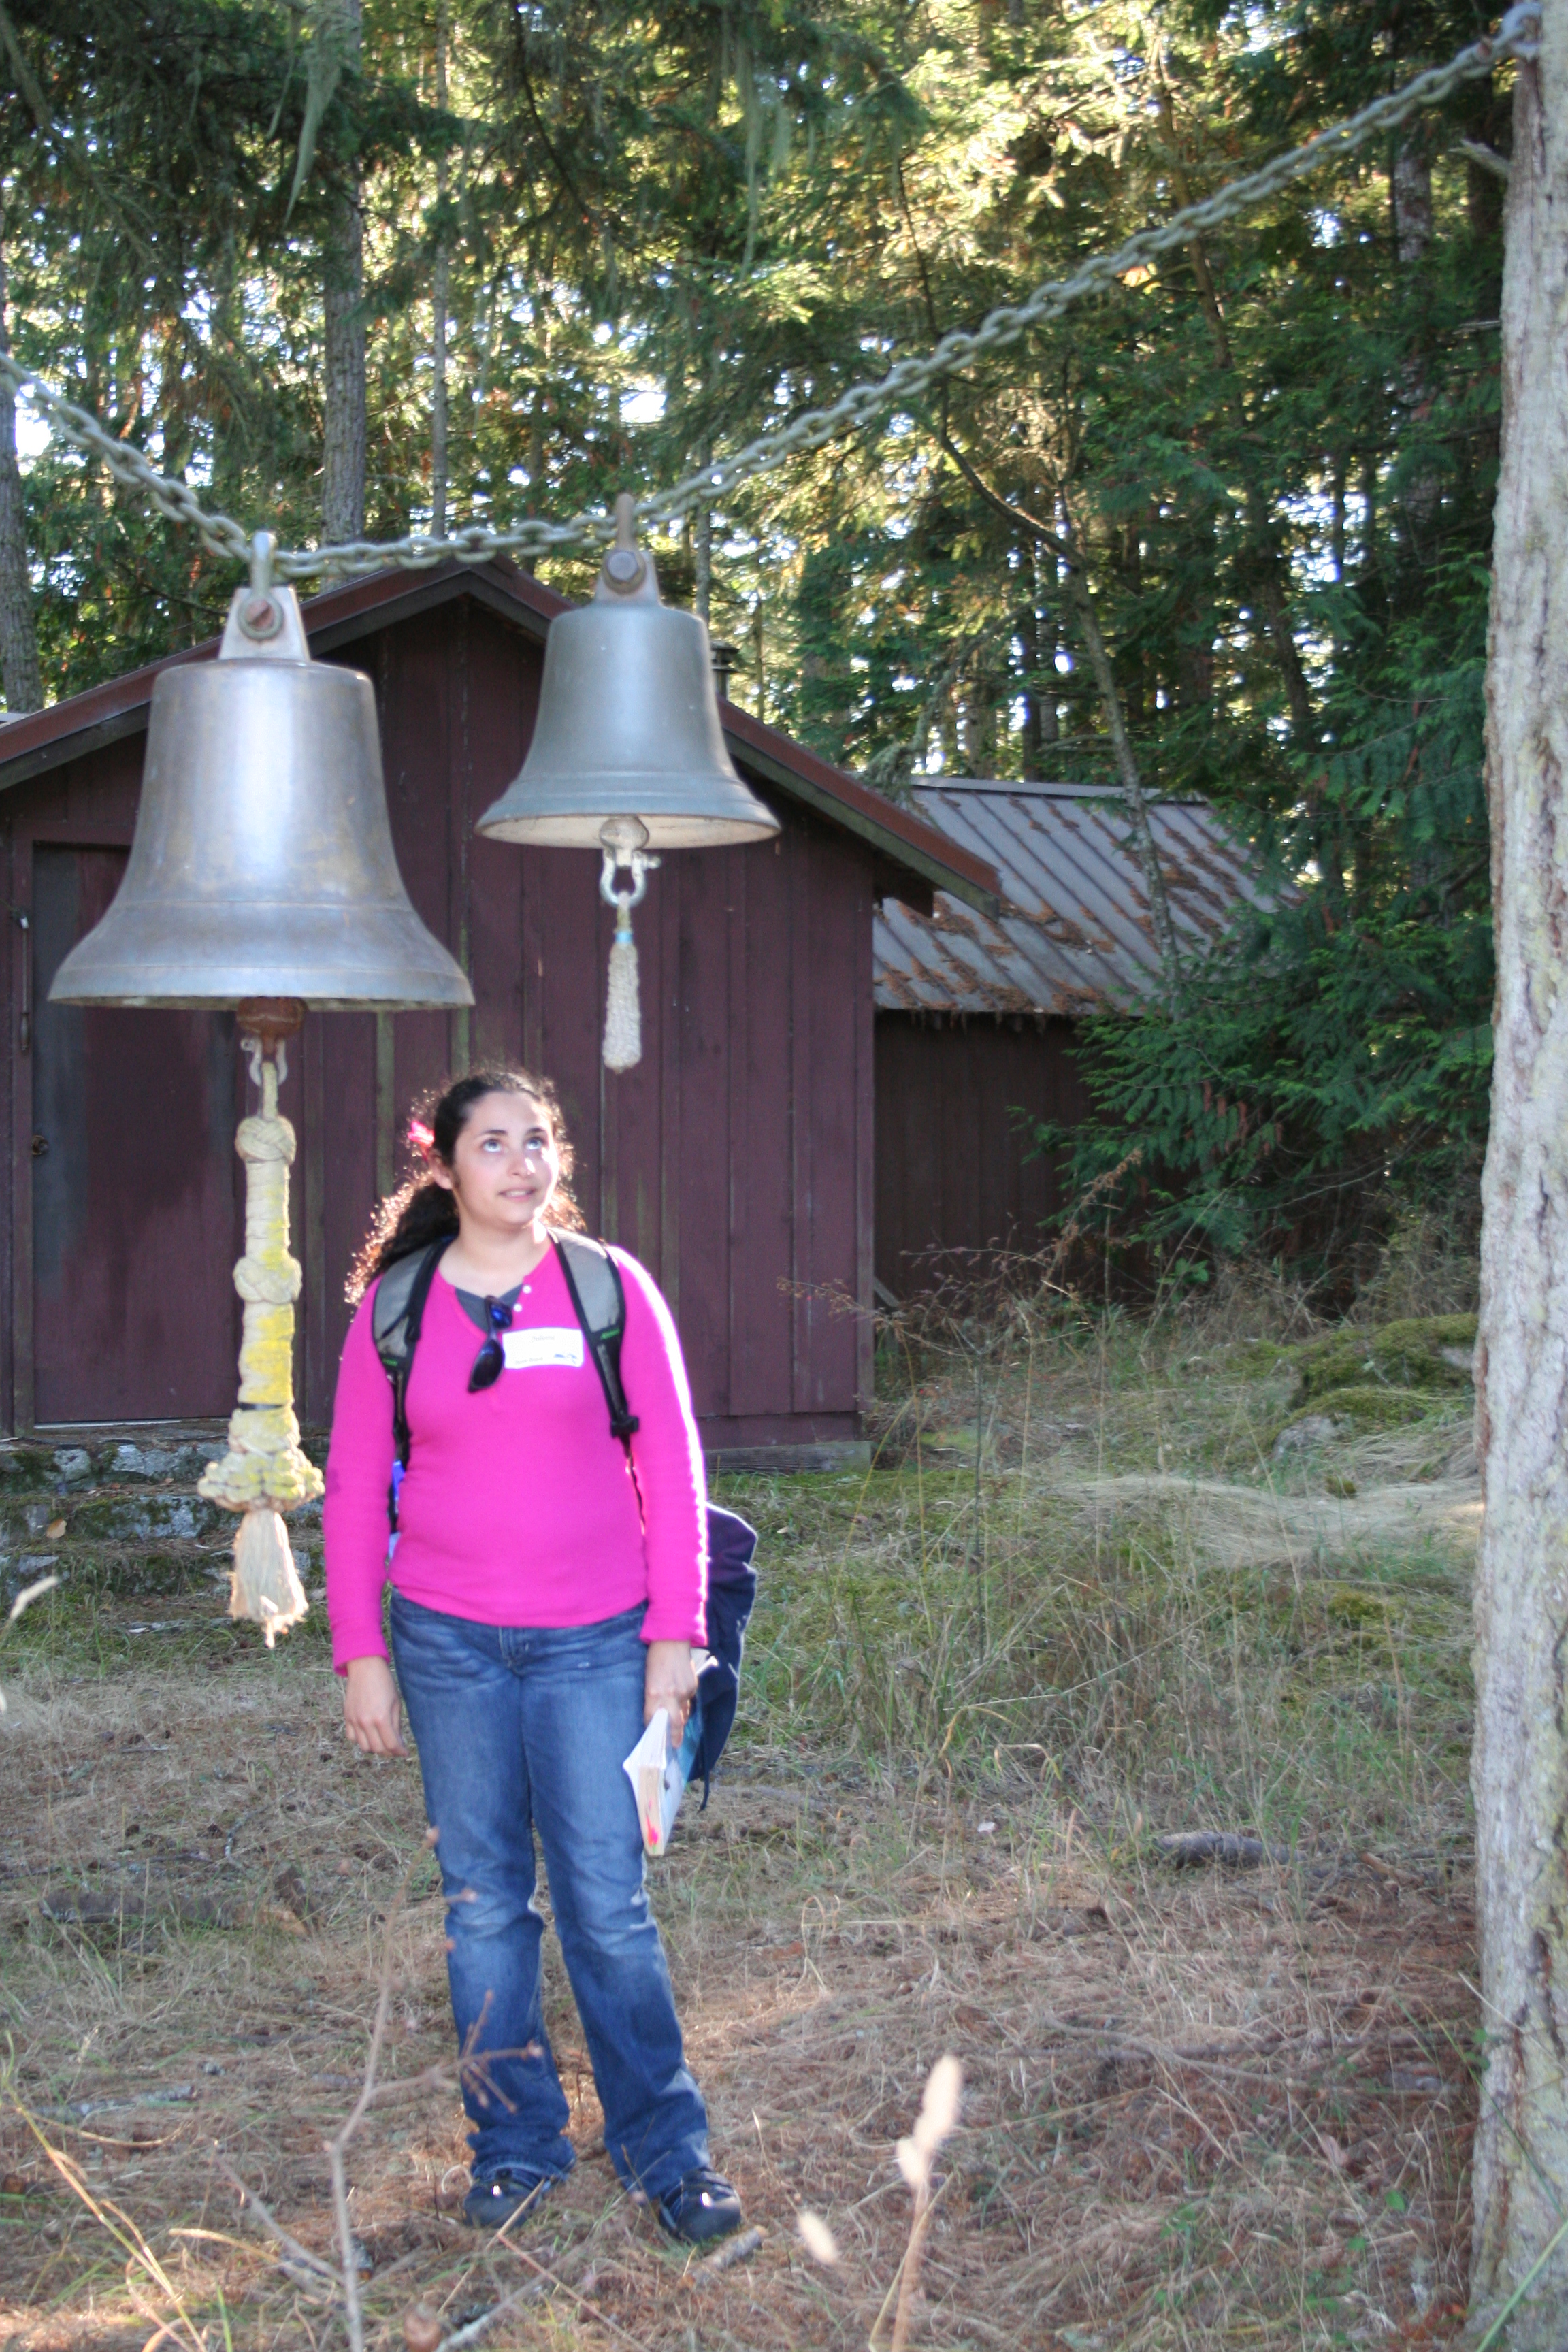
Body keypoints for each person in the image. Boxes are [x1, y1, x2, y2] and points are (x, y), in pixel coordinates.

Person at [323, 1066, 743, 2244]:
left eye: (539, 1141)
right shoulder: (396, 1308)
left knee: (607, 1905)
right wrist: (361, 1650)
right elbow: (352, 1484)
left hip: (596, 1642)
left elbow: (674, 1467)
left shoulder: (608, 1287)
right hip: (447, 1645)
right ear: (446, 1165)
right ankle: (514, 2148)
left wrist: (675, 1637)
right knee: (483, 1908)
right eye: (495, 1144)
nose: (523, 1164)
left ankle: (667, 2152)